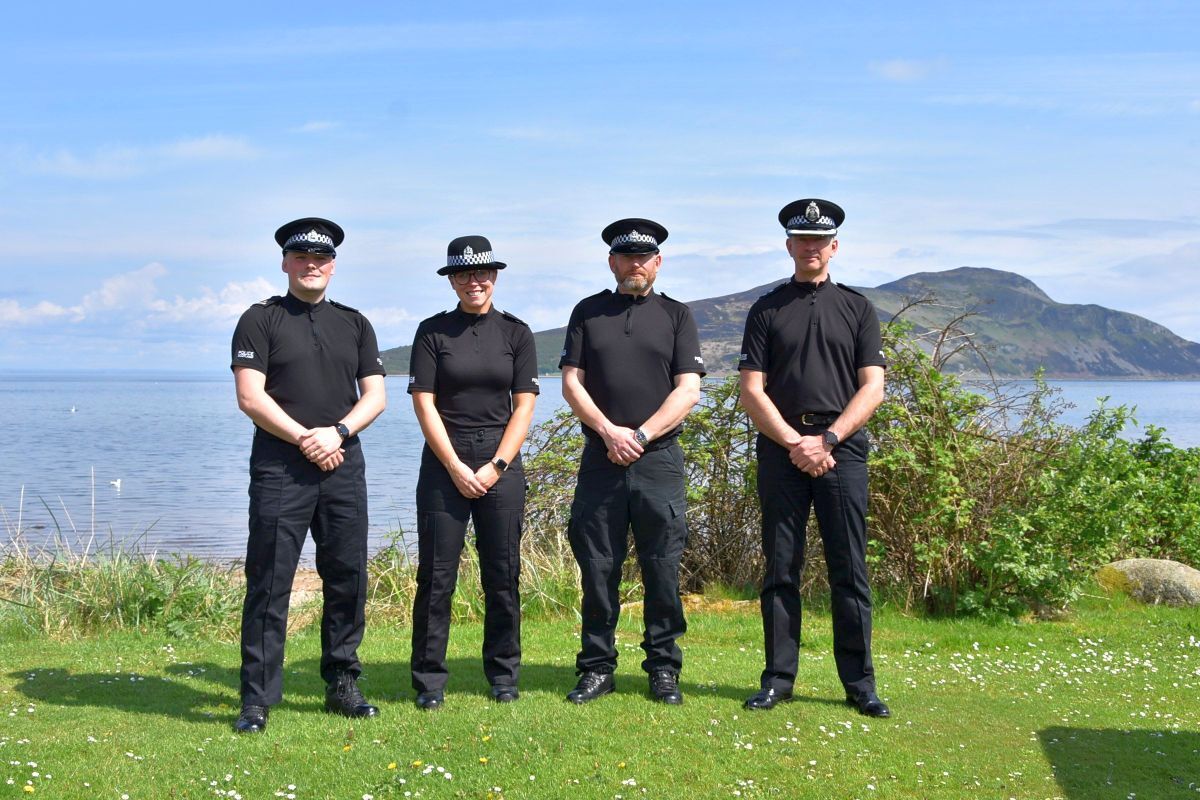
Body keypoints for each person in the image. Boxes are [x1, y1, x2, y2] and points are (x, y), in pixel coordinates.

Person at [230, 217, 387, 734]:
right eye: (302, 258)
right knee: (270, 581)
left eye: (321, 258)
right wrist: (305, 438)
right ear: (285, 263)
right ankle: (257, 699)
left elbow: (376, 396)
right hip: (281, 467)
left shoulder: (355, 322)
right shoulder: (259, 319)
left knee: (347, 578)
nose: (312, 265)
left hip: (343, 464)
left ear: (333, 265)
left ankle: (342, 683)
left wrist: (336, 433)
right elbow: (251, 397)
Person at [738, 199, 890, 717]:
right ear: (789, 246)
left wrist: (826, 440)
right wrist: (794, 443)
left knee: (849, 569)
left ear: (834, 247)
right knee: (781, 568)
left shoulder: (857, 307)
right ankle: (778, 680)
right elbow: (752, 390)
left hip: (841, 453)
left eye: (820, 240)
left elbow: (873, 388)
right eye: (801, 240)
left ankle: (860, 685)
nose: (811, 248)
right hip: (782, 453)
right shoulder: (766, 308)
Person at [559, 218, 705, 705]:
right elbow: (572, 383)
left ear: (658, 263)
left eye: (644, 257)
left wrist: (640, 435)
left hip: (658, 459)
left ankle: (663, 668)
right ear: (612, 262)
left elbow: (689, 389)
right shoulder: (588, 312)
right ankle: (597, 668)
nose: (635, 265)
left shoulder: (677, 316)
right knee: (598, 568)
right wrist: (608, 432)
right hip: (602, 459)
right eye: (626, 257)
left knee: (662, 567)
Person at [407, 236, 539, 710]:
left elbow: (524, 406)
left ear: (495, 276)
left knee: (502, 574)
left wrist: (497, 465)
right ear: (452, 280)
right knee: (436, 576)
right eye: (463, 274)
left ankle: (504, 675)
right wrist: (455, 466)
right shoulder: (432, 331)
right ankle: (429, 682)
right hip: (446, 459)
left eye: (481, 273)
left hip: (500, 459)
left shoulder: (517, 334)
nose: (473, 281)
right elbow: (424, 403)